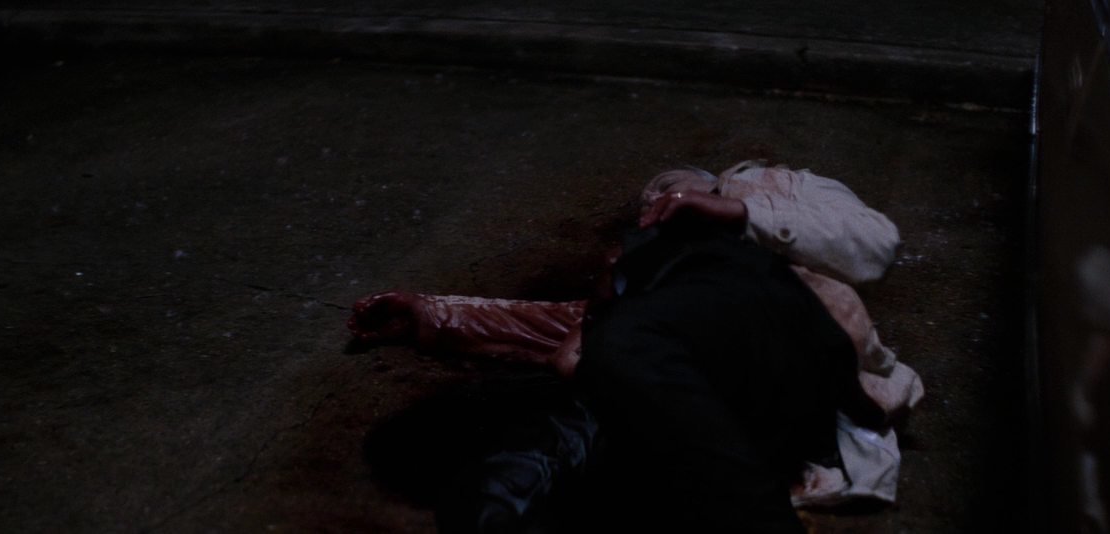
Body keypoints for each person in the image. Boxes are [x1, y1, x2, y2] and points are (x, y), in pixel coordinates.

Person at [350, 161, 925, 529]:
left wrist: (738, 211)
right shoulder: (657, 279)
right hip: (704, 401)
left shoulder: (777, 192)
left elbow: (877, 245)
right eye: (650, 205)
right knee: (565, 440)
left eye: (667, 193)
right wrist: (432, 316)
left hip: (788, 401)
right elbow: (555, 327)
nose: (656, 203)